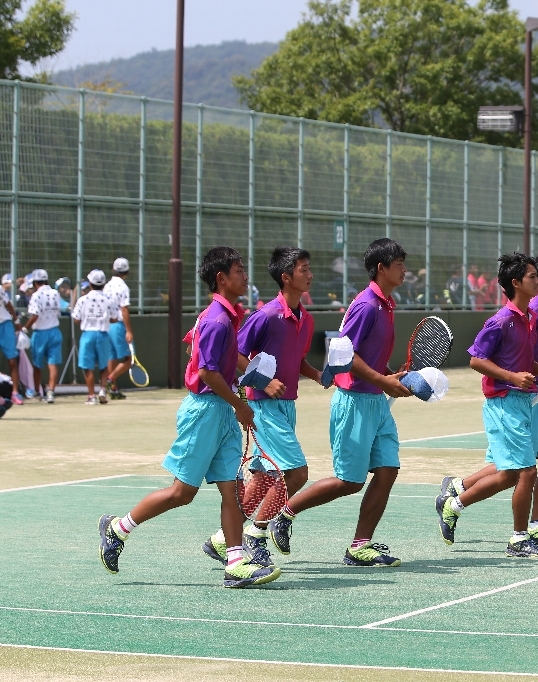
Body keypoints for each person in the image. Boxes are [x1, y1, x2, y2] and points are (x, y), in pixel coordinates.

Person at [98, 246, 280, 588]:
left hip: (222, 410)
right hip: (205, 411)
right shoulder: (217, 319)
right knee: (182, 493)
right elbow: (208, 372)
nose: (245, 275)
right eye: (239, 270)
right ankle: (117, 529)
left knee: (233, 490)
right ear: (221, 278)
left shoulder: (224, 315)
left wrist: (240, 386)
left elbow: (192, 350)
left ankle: (236, 564)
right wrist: (240, 404)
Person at [267, 238, 412, 568]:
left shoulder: (386, 305)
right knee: (350, 481)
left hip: (375, 403)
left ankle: (360, 546)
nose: (405, 270)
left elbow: (371, 358)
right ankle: (285, 514)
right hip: (354, 402)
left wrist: (391, 375)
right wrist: (382, 380)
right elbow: (344, 354)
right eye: (400, 264)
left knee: (388, 470)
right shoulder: (366, 305)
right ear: (381, 268)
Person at [439, 249, 538, 549]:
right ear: (515, 283)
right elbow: (475, 359)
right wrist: (512, 377)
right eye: (531, 277)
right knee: (525, 472)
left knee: (510, 474)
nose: (537, 280)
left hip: (523, 401)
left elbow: (525, 363)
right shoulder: (501, 320)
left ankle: (455, 504)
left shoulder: (528, 318)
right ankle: (519, 538)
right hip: (503, 402)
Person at [203, 247, 323, 568]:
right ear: (286, 278)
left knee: (264, 481)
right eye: (303, 269)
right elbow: (236, 355)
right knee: (296, 473)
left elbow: (296, 360)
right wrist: (263, 381)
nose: (310, 275)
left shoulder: (305, 320)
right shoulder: (265, 315)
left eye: (309, 269)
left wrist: (317, 375)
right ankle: (256, 535)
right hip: (263, 406)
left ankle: (221, 540)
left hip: (287, 407)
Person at [71, 270, 117, 405]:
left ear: (90, 283)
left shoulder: (83, 299)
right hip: (103, 334)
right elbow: (114, 318)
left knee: (87, 367)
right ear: (103, 284)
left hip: (87, 334)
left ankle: (91, 396)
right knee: (103, 365)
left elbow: (76, 319)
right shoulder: (109, 300)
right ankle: (102, 391)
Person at [23, 270, 63, 404]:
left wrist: (24, 328)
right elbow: (57, 312)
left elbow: (35, 315)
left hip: (40, 333)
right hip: (55, 331)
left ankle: (36, 391)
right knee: (53, 364)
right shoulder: (55, 293)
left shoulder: (36, 295)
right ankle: (51, 392)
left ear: (35, 283)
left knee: (37, 365)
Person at [104, 257, 134, 400]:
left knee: (112, 358)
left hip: (107, 325)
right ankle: (110, 379)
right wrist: (128, 330)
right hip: (118, 326)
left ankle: (113, 389)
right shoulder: (123, 287)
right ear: (126, 272)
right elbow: (124, 310)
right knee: (128, 360)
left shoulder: (107, 286)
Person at [0, 275, 22, 405]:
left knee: (12, 361)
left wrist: (17, 321)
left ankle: (15, 392)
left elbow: (9, 305)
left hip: (5, 325)